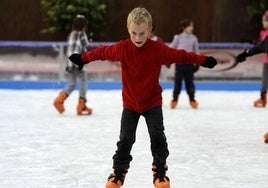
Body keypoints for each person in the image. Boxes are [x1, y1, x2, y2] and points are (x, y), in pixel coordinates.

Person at [69, 7, 217, 188]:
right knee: (125, 139)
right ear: (128, 30)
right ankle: (118, 172)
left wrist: (203, 60)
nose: (138, 38)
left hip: (152, 103)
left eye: (142, 33)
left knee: (157, 137)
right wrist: (83, 58)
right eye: (134, 33)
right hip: (130, 104)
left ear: (150, 31)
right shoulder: (122, 48)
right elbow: (102, 52)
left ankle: (160, 172)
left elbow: (181, 55)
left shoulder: (157, 49)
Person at [53, 15, 92, 115]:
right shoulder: (82, 34)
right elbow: (86, 45)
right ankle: (81, 104)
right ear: (83, 26)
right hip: (78, 60)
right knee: (83, 82)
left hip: (70, 62)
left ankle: (59, 100)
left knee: (71, 83)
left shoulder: (71, 34)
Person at [236, 11, 268, 107]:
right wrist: (249, 43)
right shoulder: (263, 33)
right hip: (267, 60)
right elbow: (260, 45)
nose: (263, 22)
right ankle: (263, 98)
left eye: (265, 20)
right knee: (264, 79)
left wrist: (246, 53)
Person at [169, 19, 200, 109]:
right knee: (177, 82)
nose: (192, 28)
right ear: (185, 27)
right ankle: (174, 99)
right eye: (191, 26)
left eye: (192, 26)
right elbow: (172, 48)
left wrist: (197, 61)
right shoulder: (178, 37)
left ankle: (192, 99)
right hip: (179, 64)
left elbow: (196, 51)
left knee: (189, 82)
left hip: (189, 64)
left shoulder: (194, 38)